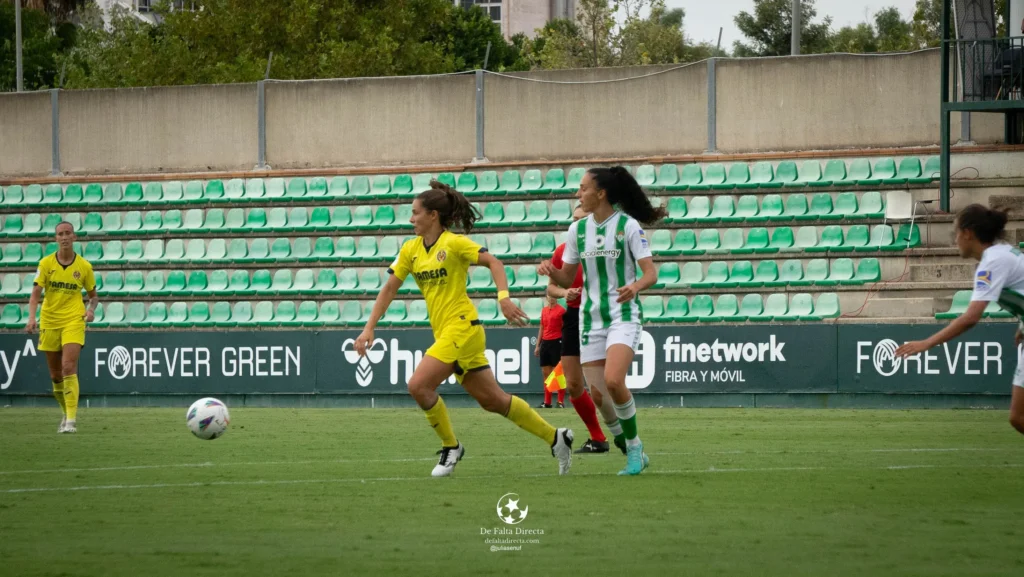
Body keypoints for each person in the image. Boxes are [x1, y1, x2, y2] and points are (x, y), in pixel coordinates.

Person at [355, 180, 574, 477]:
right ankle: (556, 437)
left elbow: (494, 262)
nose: (411, 219)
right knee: (493, 401)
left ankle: (451, 447)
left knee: (419, 385)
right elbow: (390, 288)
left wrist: (504, 299)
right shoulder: (410, 249)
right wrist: (369, 328)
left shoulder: (453, 243)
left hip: (462, 328)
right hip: (450, 332)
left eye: (415, 212)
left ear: (433, 215)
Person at [540, 166, 664, 475]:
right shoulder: (576, 231)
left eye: (582, 188)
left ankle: (634, 450)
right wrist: (551, 272)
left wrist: (634, 286)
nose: (578, 193)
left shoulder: (628, 226)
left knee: (613, 380)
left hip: (623, 315)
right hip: (589, 318)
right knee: (597, 394)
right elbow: (567, 276)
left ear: (601, 193)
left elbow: (651, 273)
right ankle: (625, 442)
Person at [896, 204, 1024, 435]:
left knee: (1019, 417)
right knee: (1018, 417)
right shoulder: (1000, 253)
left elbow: (971, 317)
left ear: (967, 233)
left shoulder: (992, 262)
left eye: (956, 233)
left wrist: (927, 343)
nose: (955, 240)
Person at [548, 204, 625, 455]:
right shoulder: (562, 251)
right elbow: (551, 289)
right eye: (573, 219)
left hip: (599, 315)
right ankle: (598, 438)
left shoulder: (602, 247)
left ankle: (624, 433)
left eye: (581, 219)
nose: (575, 224)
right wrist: (564, 292)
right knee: (572, 384)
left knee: (603, 385)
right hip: (573, 316)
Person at [25, 221, 99, 434]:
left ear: (74, 237)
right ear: (56, 238)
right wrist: (32, 318)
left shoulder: (84, 266)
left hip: (73, 320)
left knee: (68, 367)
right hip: (49, 321)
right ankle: (66, 412)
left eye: (68, 233)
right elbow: (35, 293)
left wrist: (91, 310)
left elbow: (93, 297)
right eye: (60, 234)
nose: (64, 237)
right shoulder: (46, 264)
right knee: (56, 375)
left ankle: (71, 422)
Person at [535, 294, 566, 408]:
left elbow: (565, 329)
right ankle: (547, 402)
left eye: (553, 296)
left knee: (558, 373)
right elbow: (542, 327)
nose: (552, 298)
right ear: (546, 297)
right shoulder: (544, 310)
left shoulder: (561, 311)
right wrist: (538, 345)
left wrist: (564, 346)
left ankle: (560, 401)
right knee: (546, 374)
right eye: (549, 296)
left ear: (557, 297)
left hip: (557, 342)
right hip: (545, 343)